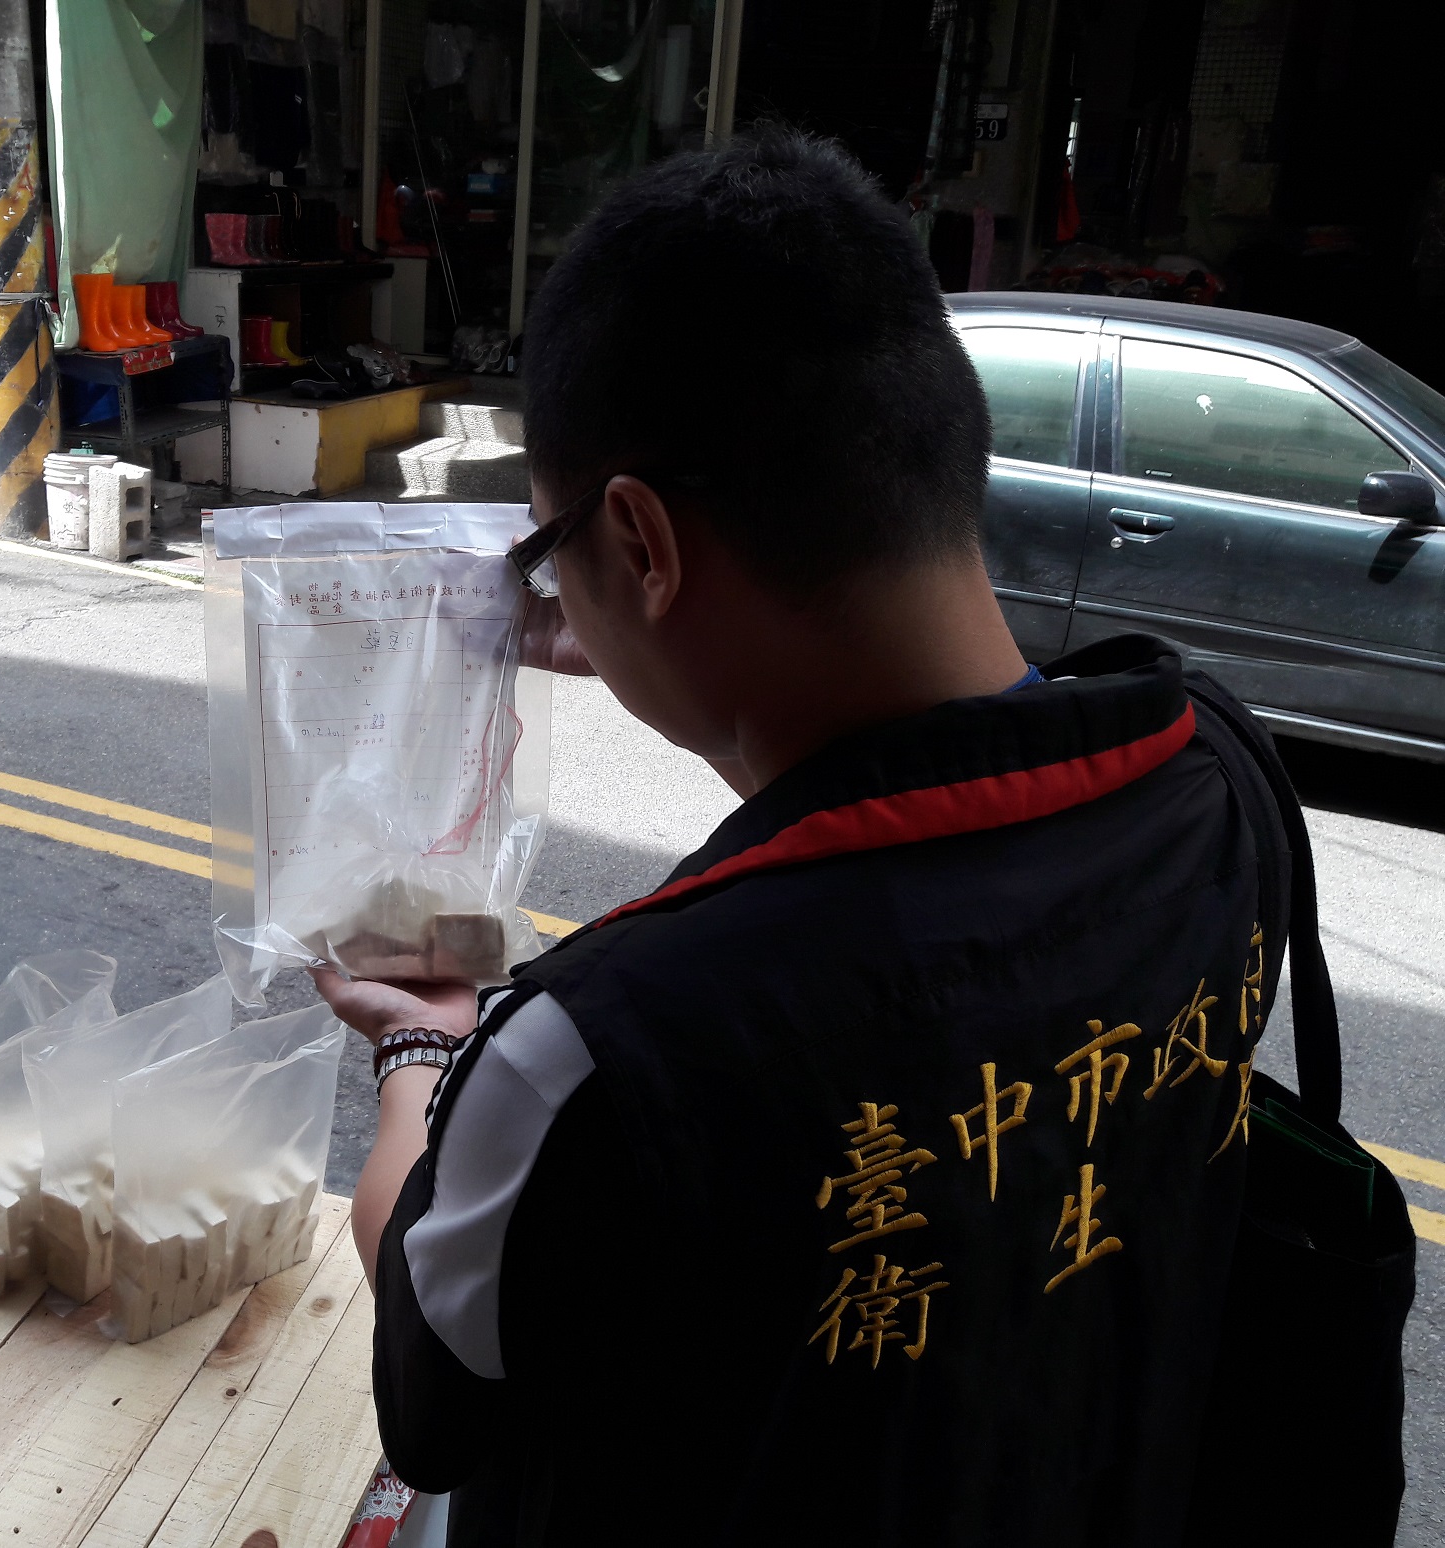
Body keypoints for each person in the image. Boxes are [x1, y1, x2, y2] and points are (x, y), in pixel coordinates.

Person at [311, 130, 1281, 1543]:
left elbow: (437, 1373)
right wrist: (667, 654)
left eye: (553, 555)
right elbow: (890, 796)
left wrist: (424, 1049)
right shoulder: (1215, 780)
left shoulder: (596, 1049)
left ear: (643, 543)